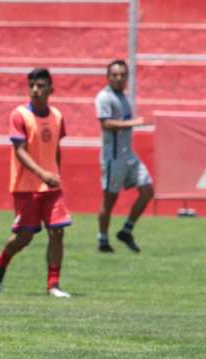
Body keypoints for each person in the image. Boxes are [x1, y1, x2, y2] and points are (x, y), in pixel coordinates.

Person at [0, 68, 72, 298]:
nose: (35, 90)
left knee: (57, 232)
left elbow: (56, 148)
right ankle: (0, 262)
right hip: (26, 186)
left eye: (41, 86)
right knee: (24, 237)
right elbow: (20, 151)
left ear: (51, 89)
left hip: (51, 186)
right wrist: (43, 174)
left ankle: (53, 285)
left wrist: (55, 174)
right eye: (32, 86)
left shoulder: (57, 116)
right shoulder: (19, 115)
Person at [95, 59, 153, 253]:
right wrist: (133, 123)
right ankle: (103, 239)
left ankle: (126, 230)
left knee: (147, 190)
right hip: (113, 158)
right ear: (108, 77)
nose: (119, 78)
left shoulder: (124, 97)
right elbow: (106, 124)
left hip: (128, 155)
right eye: (115, 74)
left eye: (122, 75)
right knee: (110, 200)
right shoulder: (104, 97)